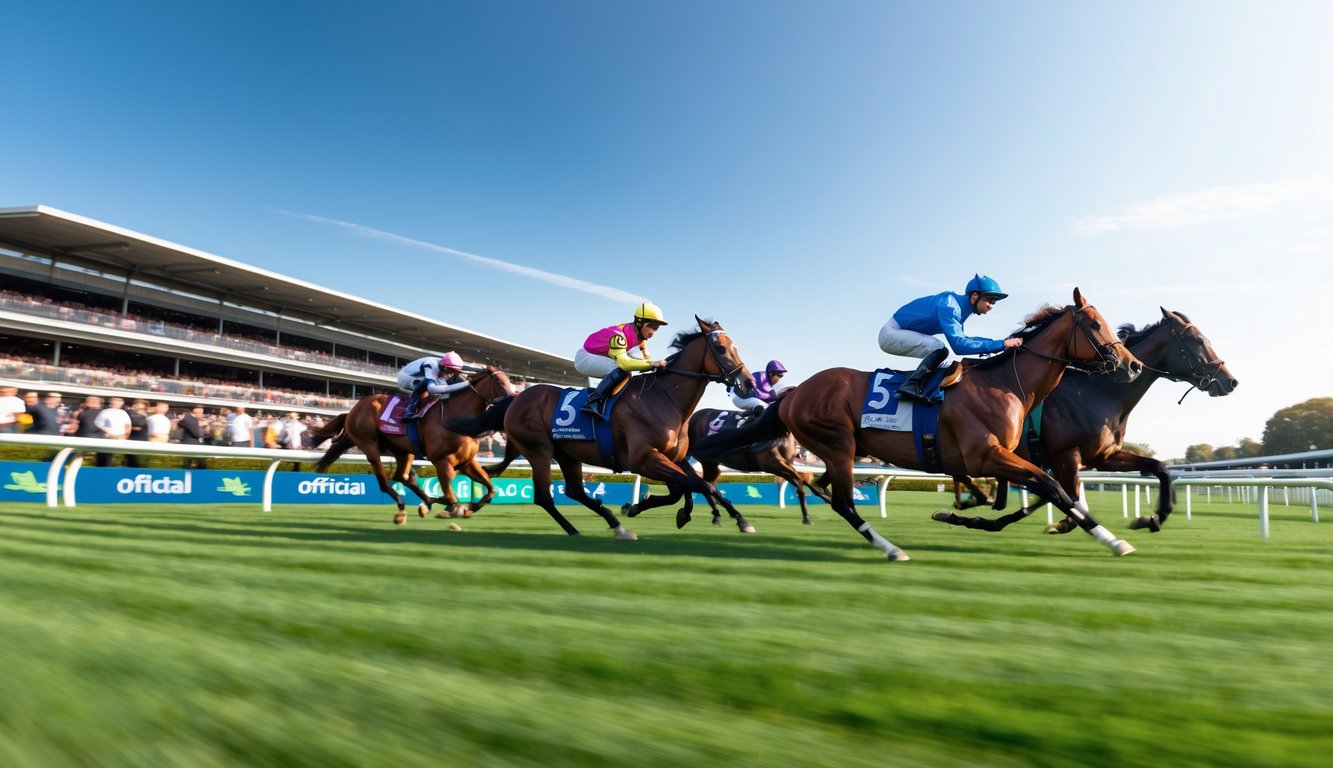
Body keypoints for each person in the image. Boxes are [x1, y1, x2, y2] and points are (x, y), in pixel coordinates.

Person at [877, 274, 1024, 402]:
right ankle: (910, 385)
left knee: (942, 354)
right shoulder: (950, 307)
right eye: (989, 300)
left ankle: (920, 386)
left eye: (994, 302)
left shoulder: (959, 308)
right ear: (974, 296)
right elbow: (959, 346)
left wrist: (999, 343)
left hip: (899, 331)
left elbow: (964, 339)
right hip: (891, 333)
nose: (992, 305)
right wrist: (1000, 345)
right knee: (940, 349)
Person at [576, 301, 669, 419]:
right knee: (620, 369)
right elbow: (625, 364)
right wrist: (652, 364)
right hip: (585, 356)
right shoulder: (618, 335)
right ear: (639, 322)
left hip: (603, 356)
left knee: (628, 375)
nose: (654, 331)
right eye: (652, 325)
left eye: (657, 327)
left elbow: (645, 364)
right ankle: (593, 402)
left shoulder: (641, 341)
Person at [397, 351, 468, 421]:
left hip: (421, 375)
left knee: (444, 387)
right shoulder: (431, 365)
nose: (451, 374)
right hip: (406, 377)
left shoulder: (444, 366)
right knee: (432, 386)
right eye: (451, 372)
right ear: (445, 368)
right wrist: (464, 384)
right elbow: (432, 389)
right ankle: (409, 411)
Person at [94, 395, 132, 467]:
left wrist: (124, 436)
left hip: (121, 440)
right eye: (115, 400)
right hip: (107, 441)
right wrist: (111, 434)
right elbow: (98, 424)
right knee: (105, 462)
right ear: (111, 401)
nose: (117, 402)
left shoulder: (124, 413)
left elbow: (128, 426)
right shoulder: (104, 412)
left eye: (119, 401)